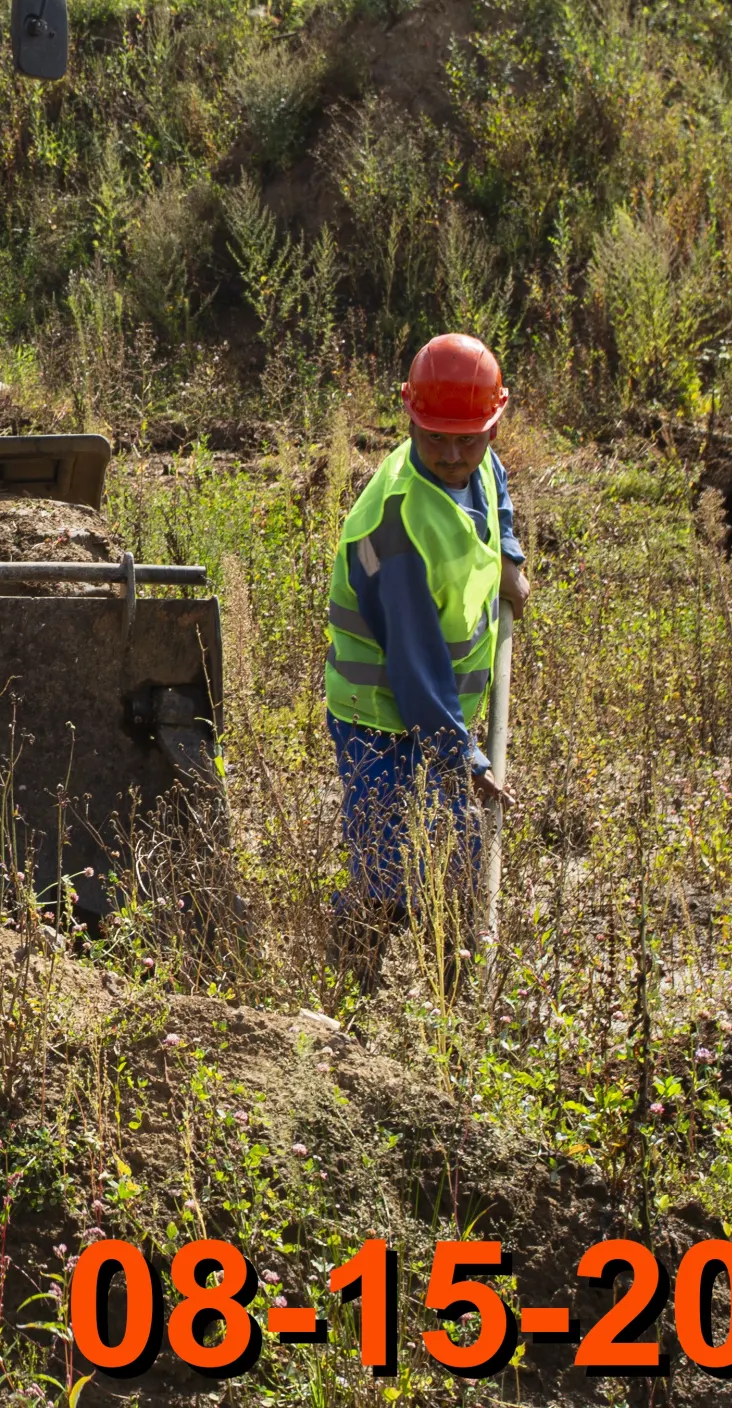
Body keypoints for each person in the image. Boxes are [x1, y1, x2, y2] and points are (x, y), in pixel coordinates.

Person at [323, 333, 535, 989]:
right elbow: (415, 670)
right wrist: (466, 759)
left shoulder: (479, 461)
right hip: (382, 717)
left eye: (468, 441)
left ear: (493, 427)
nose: (450, 456)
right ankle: (343, 1010)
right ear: (410, 418)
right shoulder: (399, 525)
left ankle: (455, 1013)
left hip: (438, 714)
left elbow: (493, 496)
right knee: (386, 873)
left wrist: (510, 563)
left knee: (461, 862)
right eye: (435, 438)